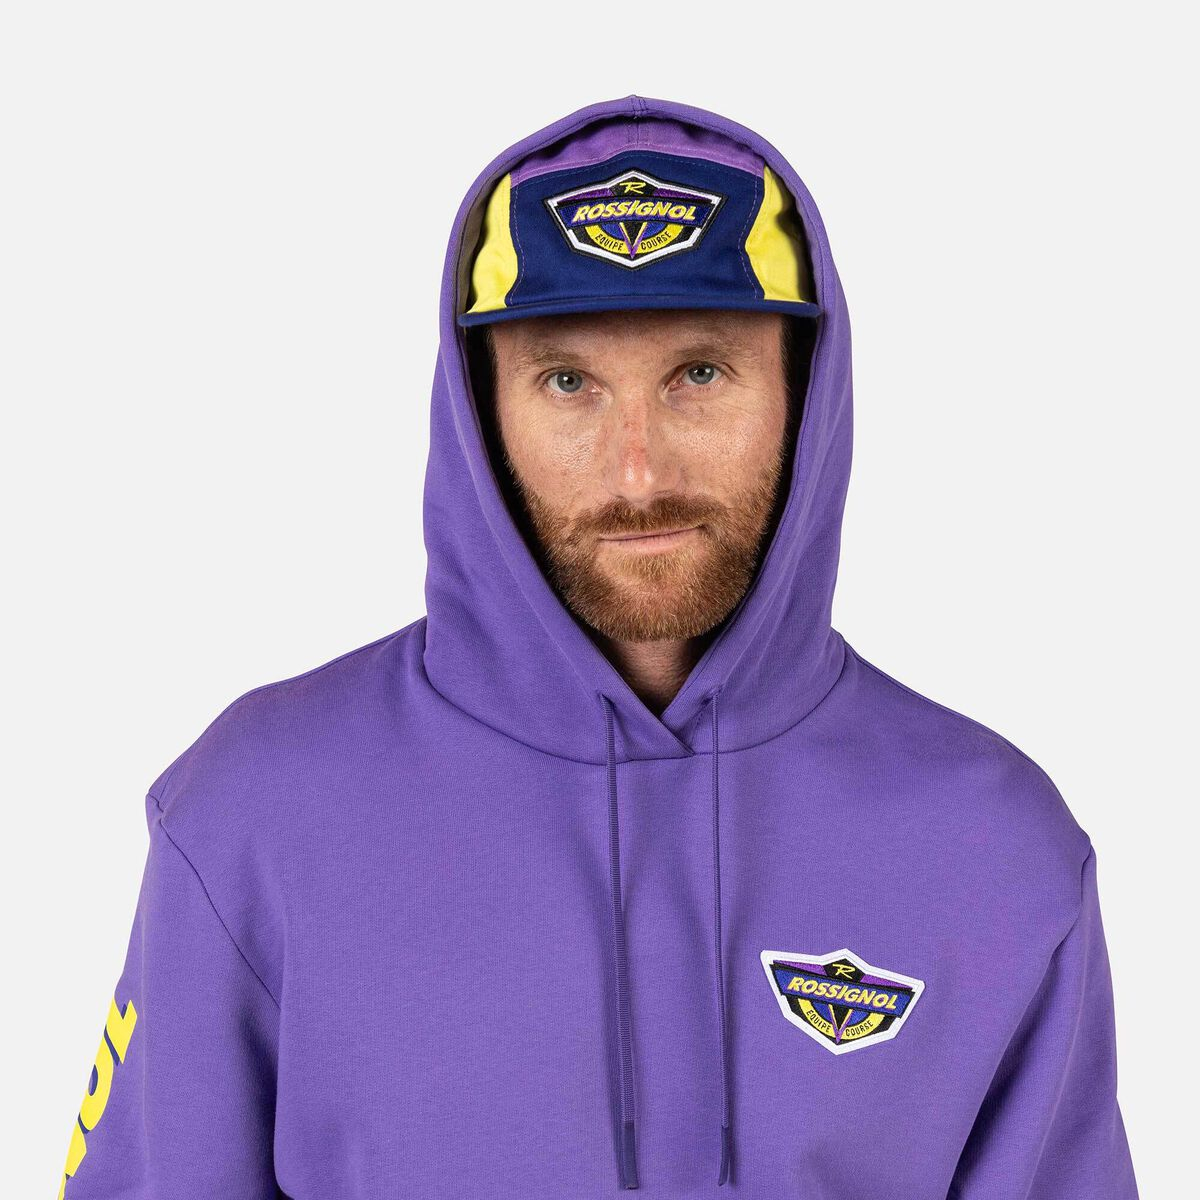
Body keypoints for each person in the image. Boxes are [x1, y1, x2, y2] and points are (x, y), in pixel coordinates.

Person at [56, 94, 1138, 1198]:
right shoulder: (254, 815)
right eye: (567, 382)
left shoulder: (992, 848)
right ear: (479, 413)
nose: (638, 471)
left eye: (700, 374)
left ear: (804, 392)